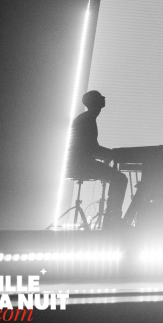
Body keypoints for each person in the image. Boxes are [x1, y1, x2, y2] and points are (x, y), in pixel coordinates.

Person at [67, 90, 127, 229]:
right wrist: (113, 154)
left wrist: (109, 154)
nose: (104, 98)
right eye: (100, 97)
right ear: (94, 102)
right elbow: (91, 148)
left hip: (80, 163)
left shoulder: (87, 118)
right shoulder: (87, 120)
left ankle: (110, 216)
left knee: (116, 178)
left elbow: (90, 148)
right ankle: (113, 218)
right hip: (81, 165)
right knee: (120, 179)